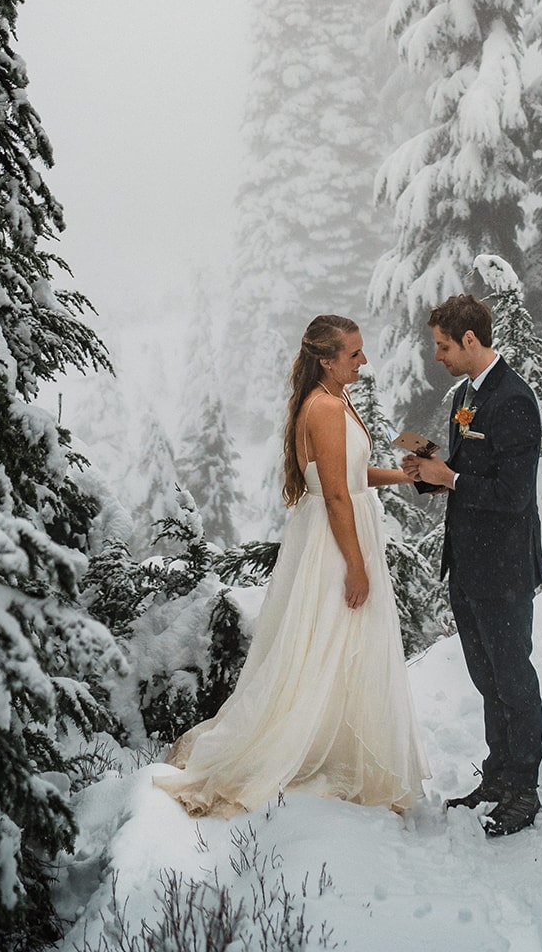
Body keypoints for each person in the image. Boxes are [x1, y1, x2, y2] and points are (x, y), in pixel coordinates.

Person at [153, 314, 429, 818]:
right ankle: (297, 749)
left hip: (339, 534)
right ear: (327, 360)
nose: (364, 361)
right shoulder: (323, 408)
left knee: (337, 643)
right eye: (354, 354)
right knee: (326, 641)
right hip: (335, 542)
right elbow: (338, 496)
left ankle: (332, 742)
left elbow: (348, 474)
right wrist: (357, 566)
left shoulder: (333, 399)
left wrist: (405, 476)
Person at [402, 293, 542, 838]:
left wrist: (452, 479)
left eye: (442, 346)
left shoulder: (513, 400)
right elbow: (460, 467)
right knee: (487, 678)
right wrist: (426, 468)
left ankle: (524, 788)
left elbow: (514, 495)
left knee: (514, 677)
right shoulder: (467, 395)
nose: (436, 355)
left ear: (469, 340)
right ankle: (498, 776)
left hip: (504, 569)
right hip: (466, 566)